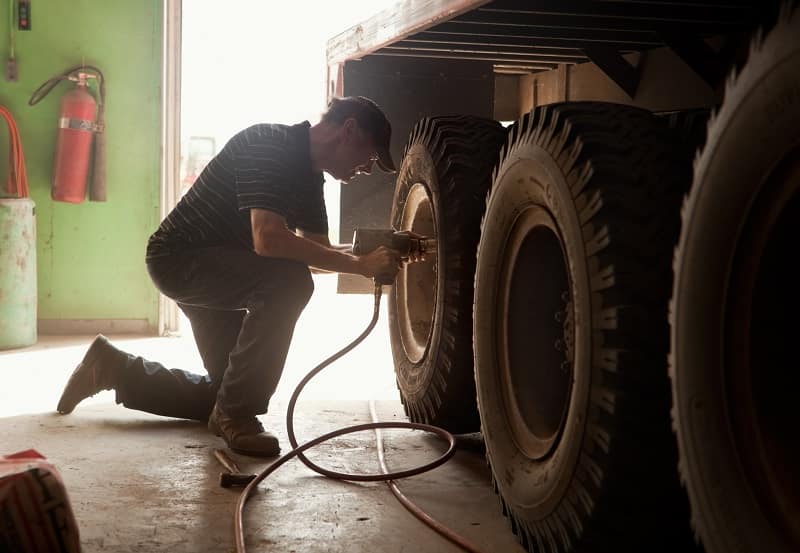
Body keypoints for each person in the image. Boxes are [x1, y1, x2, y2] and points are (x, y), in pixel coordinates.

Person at [56, 96, 403, 457]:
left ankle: (111, 368)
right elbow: (267, 239)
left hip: (221, 267)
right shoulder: (270, 145)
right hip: (180, 260)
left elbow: (317, 253)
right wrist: (362, 266)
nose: (368, 168)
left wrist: (371, 254)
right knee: (289, 284)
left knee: (226, 389)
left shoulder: (310, 179)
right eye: (372, 156)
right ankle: (236, 414)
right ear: (348, 130)